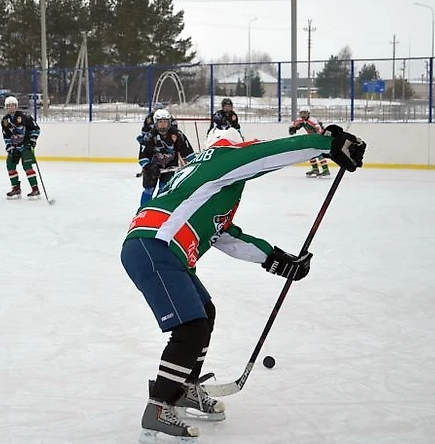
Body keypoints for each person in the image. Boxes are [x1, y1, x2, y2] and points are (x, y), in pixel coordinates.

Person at [120, 125, 366, 441]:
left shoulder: (207, 183)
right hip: (154, 246)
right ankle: (159, 406)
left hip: (160, 249)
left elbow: (226, 235)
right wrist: (326, 145)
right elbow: (264, 155)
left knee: (204, 312)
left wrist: (278, 260)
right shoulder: (219, 161)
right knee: (190, 327)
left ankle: (182, 389)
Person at [1, 96, 41, 199]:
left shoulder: (24, 116)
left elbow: (36, 129)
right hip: (14, 147)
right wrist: (10, 147)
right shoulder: (5, 120)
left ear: (16, 106)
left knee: (27, 166)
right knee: (10, 164)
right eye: (8, 106)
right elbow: (6, 136)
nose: (11, 107)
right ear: (6, 107)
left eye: (13, 105)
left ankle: (35, 189)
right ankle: (16, 188)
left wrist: (31, 142)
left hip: (25, 145)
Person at [289, 107, 330, 177]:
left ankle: (326, 170)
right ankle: (315, 169)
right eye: (301, 113)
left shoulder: (312, 121)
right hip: (312, 138)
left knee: (319, 153)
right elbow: (296, 124)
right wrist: (293, 128)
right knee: (310, 153)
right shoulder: (302, 120)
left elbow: (319, 130)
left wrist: (319, 139)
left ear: (308, 113)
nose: (303, 115)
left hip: (319, 138)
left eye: (304, 113)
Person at [135, 102, 165, 178]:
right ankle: (146, 169)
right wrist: (146, 139)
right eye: (156, 109)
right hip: (151, 140)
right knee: (146, 152)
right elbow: (144, 130)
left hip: (163, 140)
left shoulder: (167, 117)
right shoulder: (149, 118)